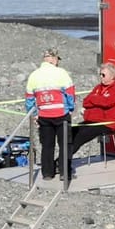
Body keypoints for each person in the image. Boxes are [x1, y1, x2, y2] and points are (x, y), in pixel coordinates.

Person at [25, 47, 74, 180]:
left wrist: (34, 113)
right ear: (53, 59)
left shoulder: (34, 75)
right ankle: (64, 173)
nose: (58, 62)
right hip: (61, 114)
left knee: (47, 145)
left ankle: (47, 173)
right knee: (65, 144)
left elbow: (29, 98)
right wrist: (70, 108)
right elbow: (70, 92)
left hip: (44, 115)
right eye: (57, 59)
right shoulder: (61, 73)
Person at [69, 63, 115, 162]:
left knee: (80, 137)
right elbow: (86, 101)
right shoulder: (98, 87)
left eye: (103, 75)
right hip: (92, 120)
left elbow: (107, 102)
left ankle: (61, 163)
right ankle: (63, 160)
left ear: (112, 76)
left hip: (105, 123)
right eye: (100, 74)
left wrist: (94, 99)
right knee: (71, 131)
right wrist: (97, 100)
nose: (101, 77)